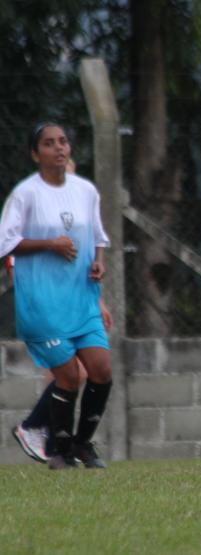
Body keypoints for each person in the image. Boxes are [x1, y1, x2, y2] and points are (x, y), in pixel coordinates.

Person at [0, 123, 113, 469]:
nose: (60, 149)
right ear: (36, 155)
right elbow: (7, 248)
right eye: (50, 144)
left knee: (99, 369)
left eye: (63, 142)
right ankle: (55, 447)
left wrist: (98, 274)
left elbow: (97, 238)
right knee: (68, 377)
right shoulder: (26, 196)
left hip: (81, 300)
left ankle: (76, 444)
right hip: (45, 305)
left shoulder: (84, 192)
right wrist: (46, 248)